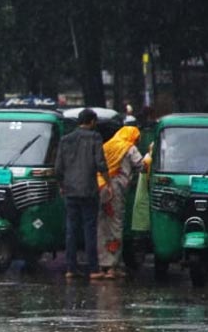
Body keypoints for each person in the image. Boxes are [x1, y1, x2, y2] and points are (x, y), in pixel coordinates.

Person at [55, 108, 112, 280]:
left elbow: (58, 167)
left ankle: (71, 268)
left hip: (70, 190)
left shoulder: (65, 140)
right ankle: (94, 269)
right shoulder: (95, 137)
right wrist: (108, 182)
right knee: (90, 229)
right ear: (92, 122)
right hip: (88, 190)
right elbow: (100, 163)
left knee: (71, 229)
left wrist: (61, 185)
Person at [97, 126, 145, 279]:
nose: (136, 142)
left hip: (101, 187)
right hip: (116, 189)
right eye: (136, 139)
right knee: (115, 224)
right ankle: (112, 267)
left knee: (102, 225)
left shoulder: (107, 145)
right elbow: (142, 165)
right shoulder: (129, 148)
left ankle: (101, 264)